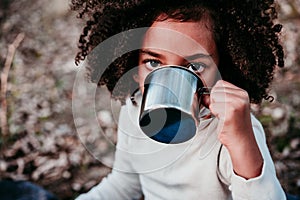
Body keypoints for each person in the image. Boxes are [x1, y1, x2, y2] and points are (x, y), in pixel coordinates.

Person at [71, 0, 287, 199]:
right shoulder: (133, 109)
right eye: (153, 63)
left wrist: (241, 142)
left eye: (194, 67)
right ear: (133, 67)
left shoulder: (236, 132)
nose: (169, 86)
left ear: (224, 70)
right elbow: (124, 185)